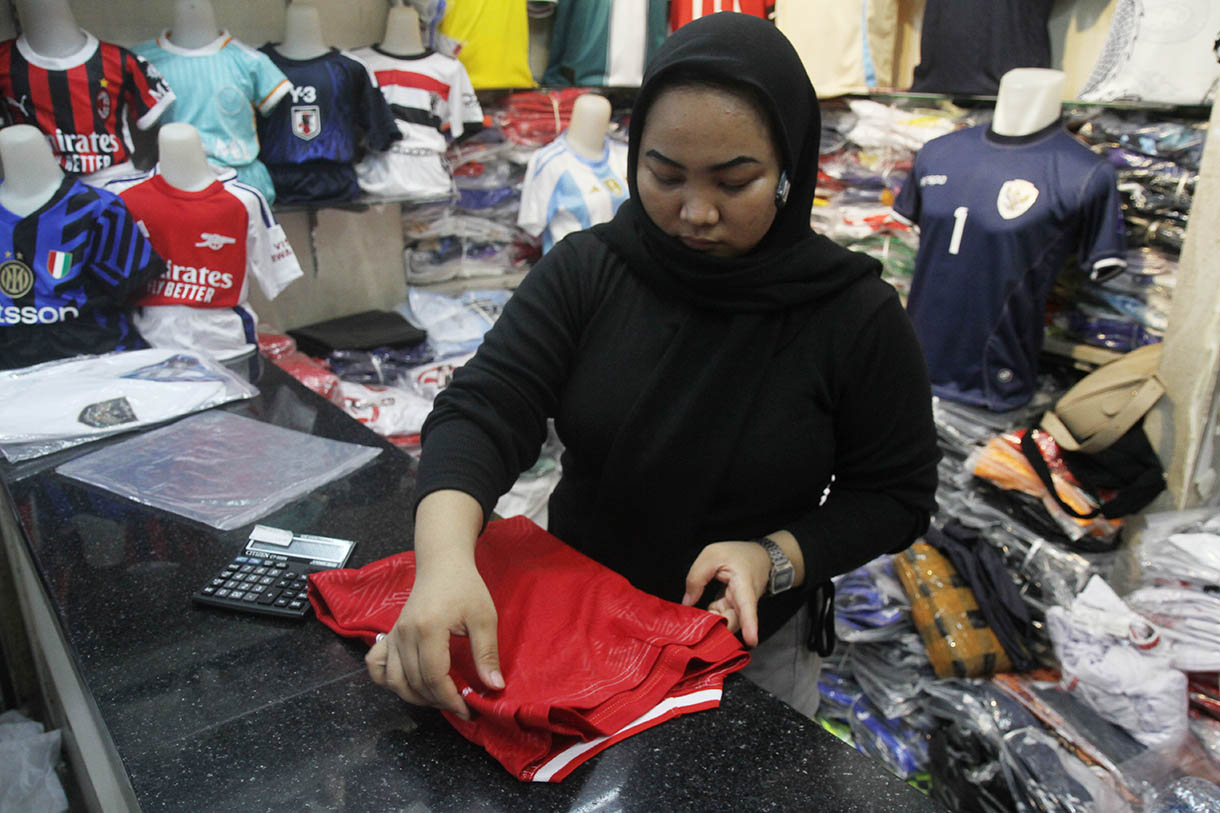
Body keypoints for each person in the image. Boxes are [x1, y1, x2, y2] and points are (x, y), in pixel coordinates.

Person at [368, 12, 939, 720]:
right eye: (664, 175)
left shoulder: (851, 315)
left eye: (735, 183)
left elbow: (896, 493)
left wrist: (774, 556)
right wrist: (447, 560)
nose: (695, 212)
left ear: (790, 170)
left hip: (744, 651)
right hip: (580, 616)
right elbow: (486, 408)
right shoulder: (589, 270)